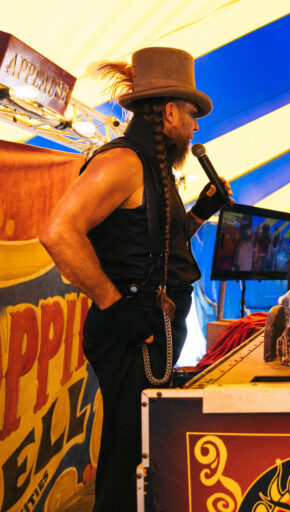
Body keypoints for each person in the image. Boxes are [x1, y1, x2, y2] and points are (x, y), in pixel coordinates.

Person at [39, 47, 231, 511]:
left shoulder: (153, 165)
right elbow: (58, 231)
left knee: (144, 452)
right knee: (128, 456)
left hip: (150, 327)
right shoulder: (123, 161)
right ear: (168, 111)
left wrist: (201, 211)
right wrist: (114, 306)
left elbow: (161, 244)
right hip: (132, 329)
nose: (196, 125)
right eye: (191, 114)